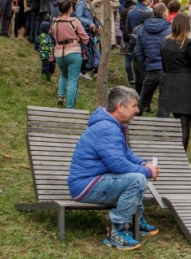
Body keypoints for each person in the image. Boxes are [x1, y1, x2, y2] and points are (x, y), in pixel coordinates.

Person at [67, 86, 160, 250]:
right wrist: (147, 171)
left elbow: (126, 153)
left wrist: (143, 163)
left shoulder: (113, 125)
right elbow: (118, 165)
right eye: (134, 106)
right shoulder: (107, 128)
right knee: (137, 179)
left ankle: (135, 222)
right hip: (86, 185)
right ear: (120, 107)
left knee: (138, 175)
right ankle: (117, 232)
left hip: (96, 180)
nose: (137, 110)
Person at [156, 13, 191, 151]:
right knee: (184, 123)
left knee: (177, 120)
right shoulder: (187, 43)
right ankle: (181, 153)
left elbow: (164, 65)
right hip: (185, 82)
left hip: (171, 81)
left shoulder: (165, 42)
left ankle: (175, 150)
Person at [51, 0, 89, 108]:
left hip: (59, 52)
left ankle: (60, 95)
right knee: (73, 79)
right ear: (69, 8)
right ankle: (70, 106)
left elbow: (54, 36)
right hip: (73, 52)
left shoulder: (54, 22)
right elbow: (85, 38)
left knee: (63, 74)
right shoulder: (74, 21)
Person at [135, 3, 170, 114]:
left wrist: (146, 63)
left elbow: (138, 52)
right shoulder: (170, 29)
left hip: (150, 68)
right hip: (166, 69)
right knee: (163, 103)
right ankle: (160, 129)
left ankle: (132, 124)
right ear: (164, 13)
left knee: (142, 100)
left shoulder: (142, 30)